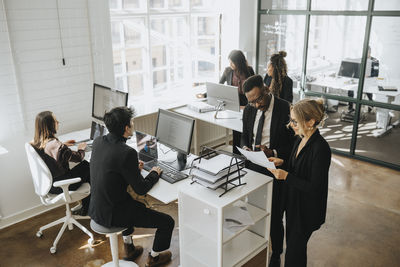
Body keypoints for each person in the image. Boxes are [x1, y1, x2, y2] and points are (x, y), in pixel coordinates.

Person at [88, 107, 174, 266]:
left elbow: (111, 172)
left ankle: (129, 248)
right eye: (131, 122)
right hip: (114, 213)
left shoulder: (99, 141)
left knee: (130, 205)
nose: (133, 124)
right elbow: (141, 189)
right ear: (126, 128)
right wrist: (154, 173)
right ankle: (154, 258)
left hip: (96, 208)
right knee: (167, 221)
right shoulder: (126, 152)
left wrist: (133, 170)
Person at [267, 98, 331, 267]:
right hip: (294, 203)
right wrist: (283, 162)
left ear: (310, 122)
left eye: (295, 121)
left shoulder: (321, 148)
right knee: (296, 250)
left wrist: (286, 176)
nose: (290, 125)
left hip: (306, 210)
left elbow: (314, 187)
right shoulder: (300, 138)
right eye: (291, 120)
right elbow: (297, 168)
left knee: (294, 254)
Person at [241, 75, 295, 267]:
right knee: (253, 208)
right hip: (253, 166)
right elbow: (245, 136)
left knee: (275, 215)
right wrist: (246, 148)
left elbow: (294, 146)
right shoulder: (249, 109)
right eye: (251, 101)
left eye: (258, 99)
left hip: (275, 168)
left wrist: (273, 152)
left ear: (266, 89)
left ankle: (276, 252)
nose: (256, 105)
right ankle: (254, 243)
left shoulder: (285, 108)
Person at [30, 111, 90, 215]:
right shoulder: (56, 146)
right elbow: (78, 158)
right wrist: (81, 148)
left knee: (86, 169)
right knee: (88, 165)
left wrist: (63, 145)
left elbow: (51, 149)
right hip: (62, 185)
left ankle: (87, 206)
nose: (58, 122)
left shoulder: (36, 142)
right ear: (50, 125)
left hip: (49, 185)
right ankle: (89, 207)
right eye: (55, 121)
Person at [220, 50, 255, 154]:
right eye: (229, 62)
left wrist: (248, 106)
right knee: (236, 129)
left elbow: (254, 89)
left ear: (239, 62)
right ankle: (236, 154)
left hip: (248, 103)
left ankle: (246, 153)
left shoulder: (249, 70)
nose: (230, 65)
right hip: (234, 103)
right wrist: (205, 94)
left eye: (232, 62)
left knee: (246, 130)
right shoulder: (228, 71)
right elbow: (219, 85)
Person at [347, 46, 378, 112]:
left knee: (368, 94)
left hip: (369, 81)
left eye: (367, 52)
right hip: (360, 80)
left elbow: (376, 73)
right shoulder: (361, 59)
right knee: (350, 90)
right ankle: (350, 107)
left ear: (370, 52)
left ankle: (370, 106)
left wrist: (368, 75)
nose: (365, 54)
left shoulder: (375, 60)